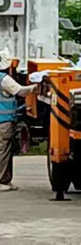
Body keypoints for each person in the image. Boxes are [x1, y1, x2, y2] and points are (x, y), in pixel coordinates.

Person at [0, 50, 37, 192]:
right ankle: (2, 180)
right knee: (4, 150)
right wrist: (34, 87)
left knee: (5, 150)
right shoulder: (4, 79)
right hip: (4, 121)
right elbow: (20, 91)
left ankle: (5, 180)